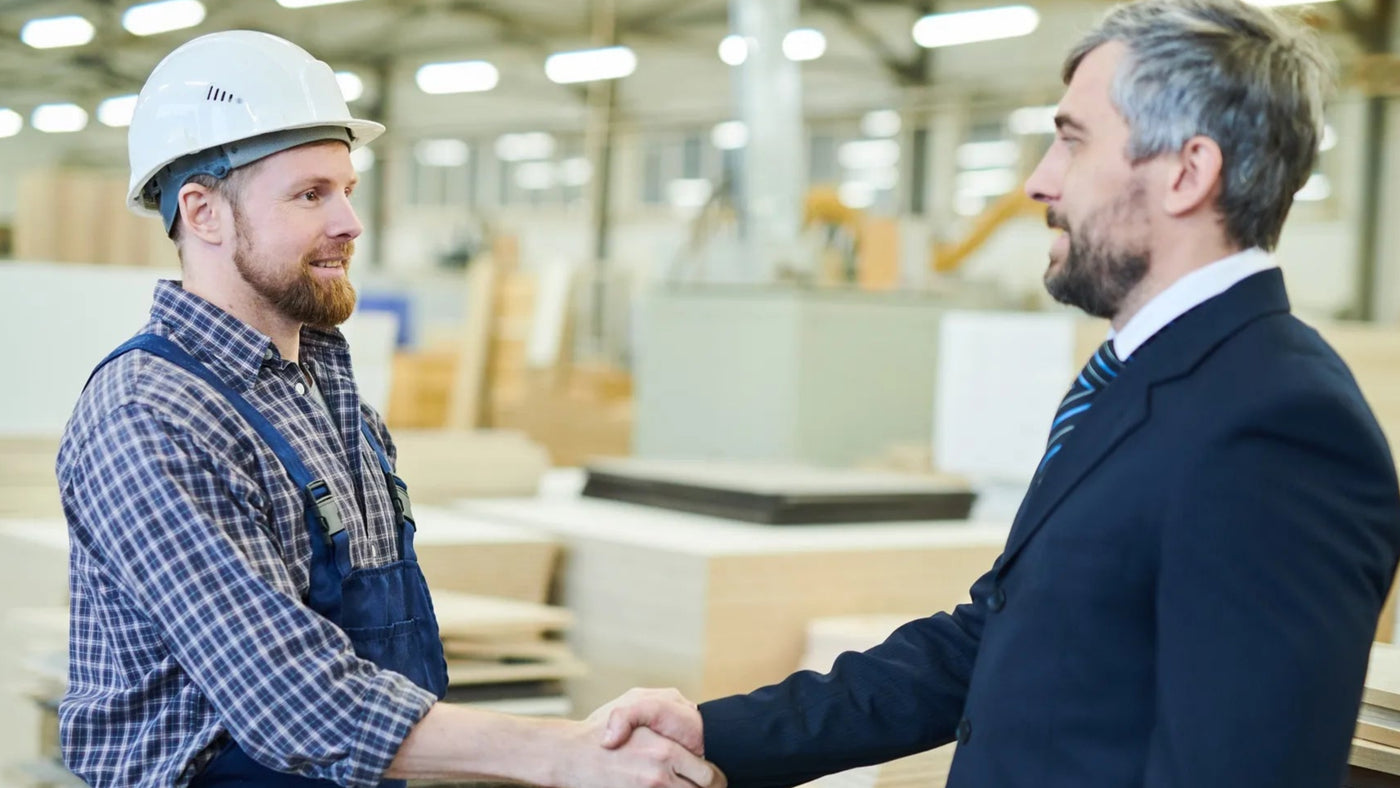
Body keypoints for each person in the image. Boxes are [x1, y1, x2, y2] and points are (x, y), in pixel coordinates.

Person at [599, 1, 1400, 785]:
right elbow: (1001, 639)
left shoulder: (1280, 427)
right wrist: (719, 731)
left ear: (1188, 172)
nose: (1037, 183)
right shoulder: (1140, 376)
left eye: (1071, 144)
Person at [56, 30, 723, 788]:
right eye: (311, 194)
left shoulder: (332, 399)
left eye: (347, 189)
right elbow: (292, 699)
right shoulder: (150, 415)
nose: (350, 222)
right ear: (203, 213)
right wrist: (560, 753)